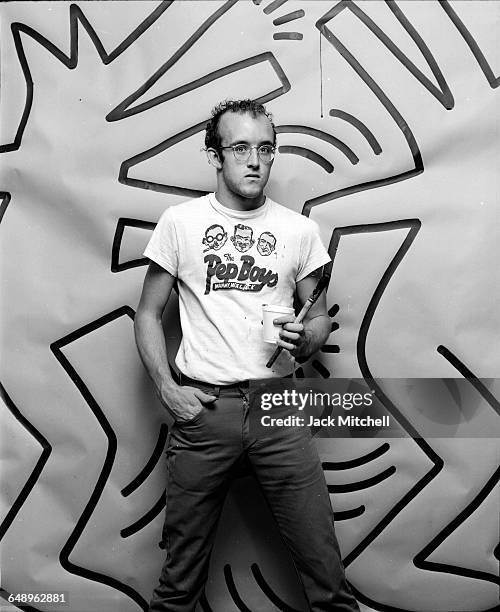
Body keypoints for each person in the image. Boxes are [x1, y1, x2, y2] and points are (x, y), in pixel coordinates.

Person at [135, 99, 360, 611]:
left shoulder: (298, 230)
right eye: (240, 148)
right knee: (178, 585)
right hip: (205, 411)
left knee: (326, 575)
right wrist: (168, 390)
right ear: (215, 155)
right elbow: (147, 315)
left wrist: (308, 338)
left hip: (278, 407)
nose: (255, 160)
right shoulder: (181, 223)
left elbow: (318, 317)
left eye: (265, 148)